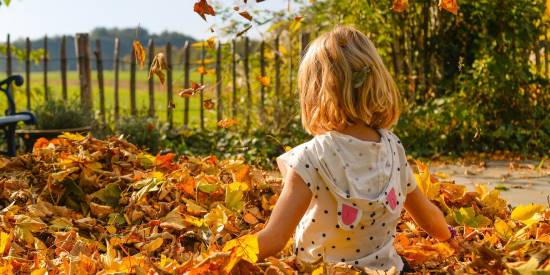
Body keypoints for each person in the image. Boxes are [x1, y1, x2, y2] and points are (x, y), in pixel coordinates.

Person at [255, 25, 458, 273]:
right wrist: (450, 236)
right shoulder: (393, 147)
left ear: (315, 93)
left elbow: (274, 239)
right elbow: (428, 217)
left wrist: (221, 257)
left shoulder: (310, 158)